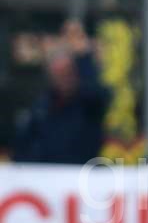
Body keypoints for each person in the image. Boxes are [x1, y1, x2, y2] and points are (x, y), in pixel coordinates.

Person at [13, 21, 109, 164]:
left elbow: (97, 94)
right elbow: (24, 146)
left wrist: (83, 54)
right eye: (59, 75)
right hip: (45, 174)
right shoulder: (42, 106)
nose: (64, 80)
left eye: (68, 73)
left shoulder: (88, 105)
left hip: (79, 172)